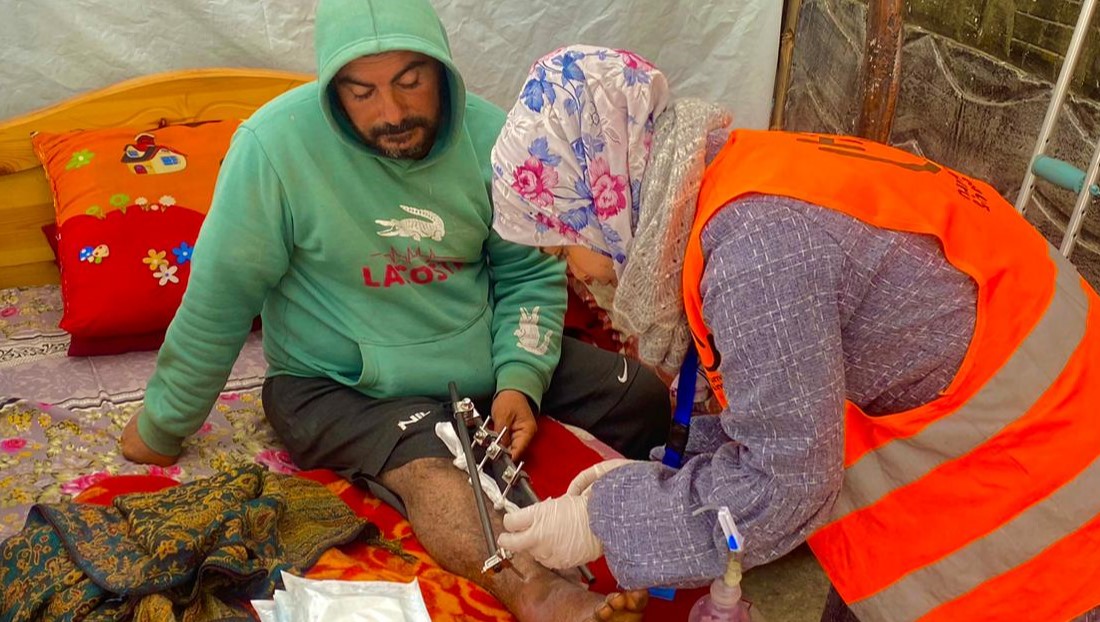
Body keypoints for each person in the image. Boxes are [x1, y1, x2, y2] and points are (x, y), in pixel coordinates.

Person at [490, 45, 1100, 622]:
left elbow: (785, 482)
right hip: (1023, 419)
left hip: (1043, 503)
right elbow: (781, 400)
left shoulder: (754, 252)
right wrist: (650, 481)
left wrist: (607, 520)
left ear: (603, 194)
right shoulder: (735, 174)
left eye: (559, 239)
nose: (565, 264)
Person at [118, 4, 671, 620]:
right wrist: (162, 427)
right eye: (362, 91)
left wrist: (520, 379)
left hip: (478, 355)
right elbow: (221, 296)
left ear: (441, 71)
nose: (392, 113)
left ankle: (681, 529)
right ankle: (539, 592)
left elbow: (526, 273)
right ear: (333, 91)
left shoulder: (495, 140)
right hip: (336, 384)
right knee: (434, 471)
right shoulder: (272, 148)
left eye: (411, 82)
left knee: (642, 397)